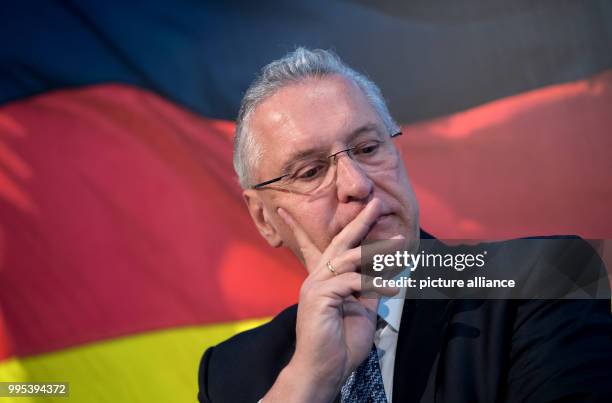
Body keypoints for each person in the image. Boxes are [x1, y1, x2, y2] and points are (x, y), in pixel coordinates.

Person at [198, 48, 612, 402]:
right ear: (264, 219)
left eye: (368, 148)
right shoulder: (233, 375)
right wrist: (306, 385)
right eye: (310, 172)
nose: (357, 184)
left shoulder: (545, 279)